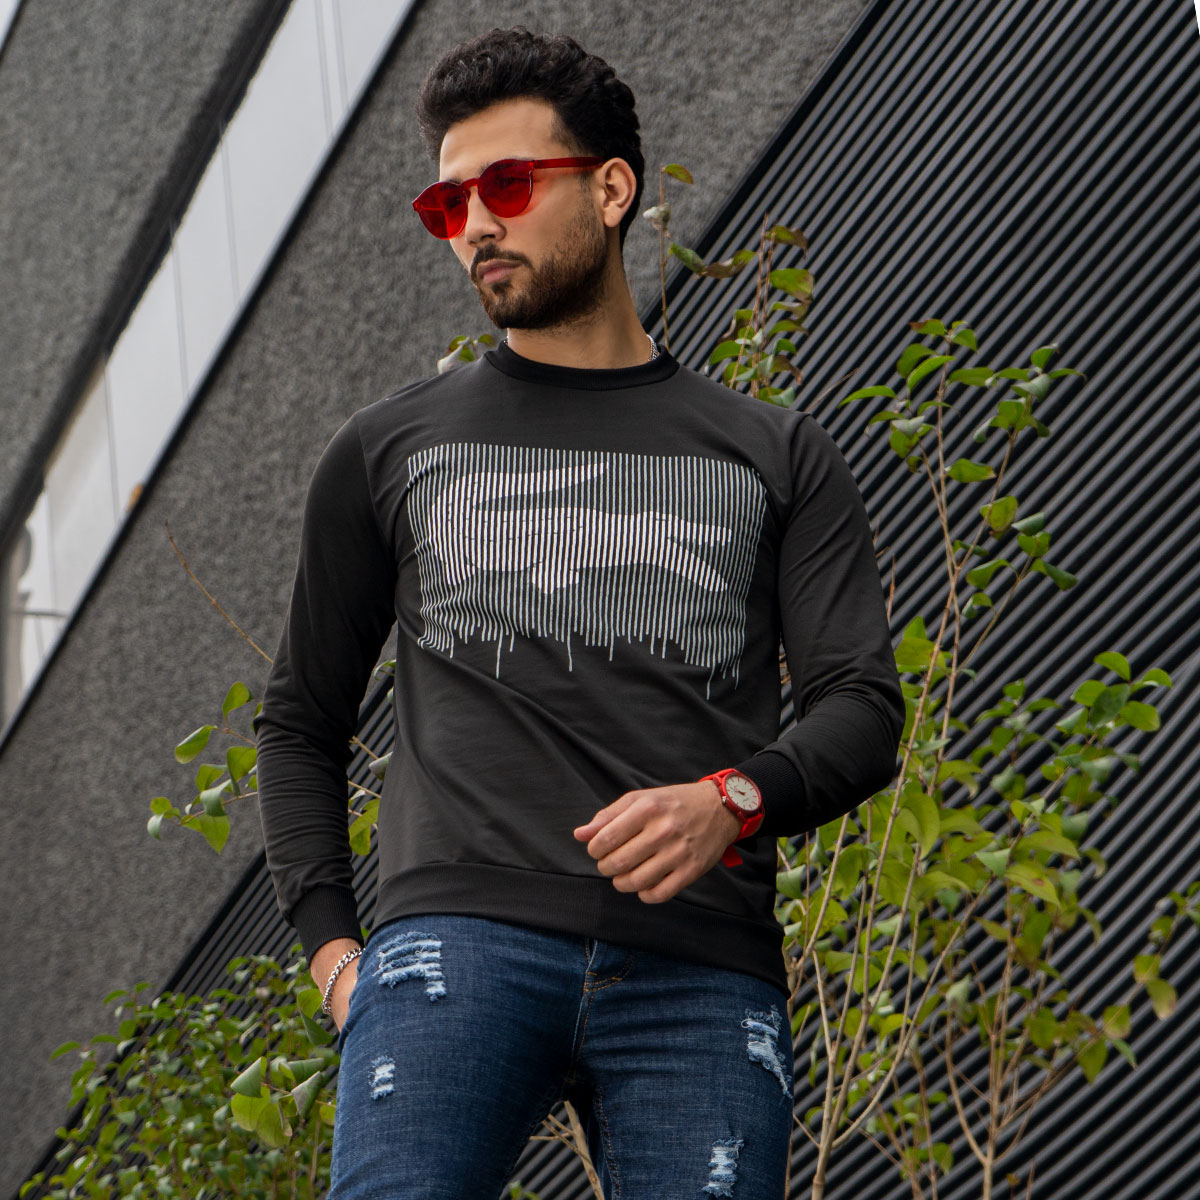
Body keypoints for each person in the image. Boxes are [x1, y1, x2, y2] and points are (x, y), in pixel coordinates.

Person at [253, 25, 904, 1200]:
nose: (475, 225)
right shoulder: (387, 450)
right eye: (448, 204)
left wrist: (733, 801)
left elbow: (860, 706)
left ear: (610, 190)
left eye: (506, 185)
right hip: (449, 954)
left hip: (701, 974)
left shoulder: (774, 453)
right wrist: (340, 961)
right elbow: (301, 719)